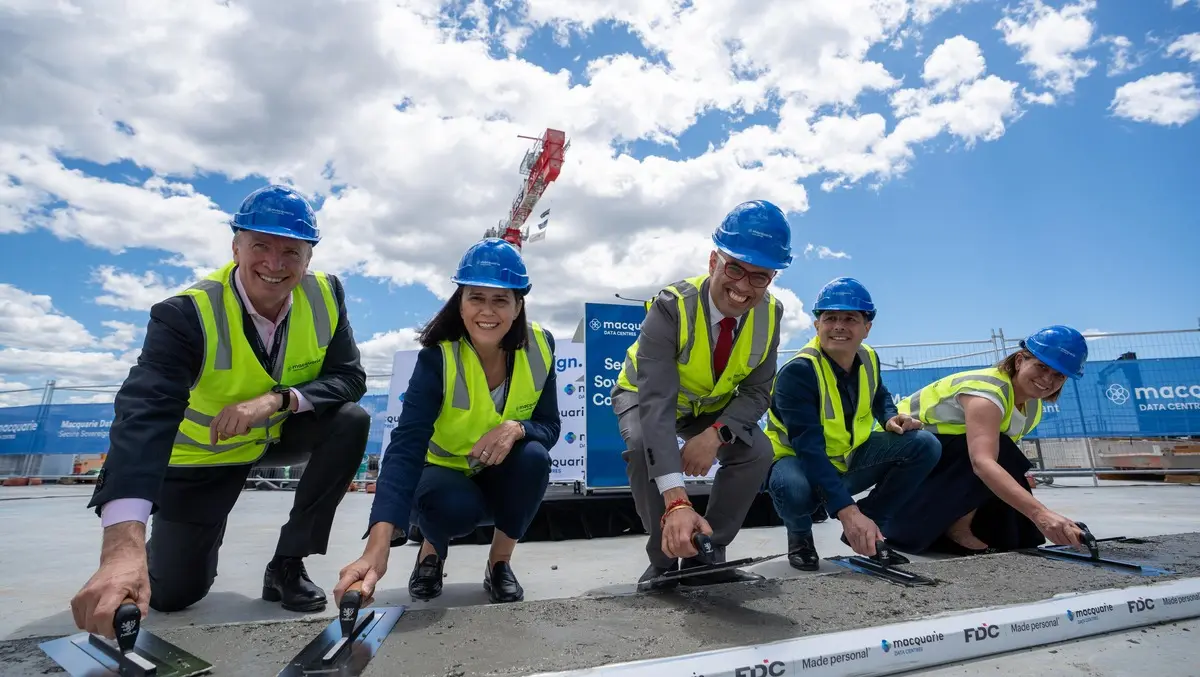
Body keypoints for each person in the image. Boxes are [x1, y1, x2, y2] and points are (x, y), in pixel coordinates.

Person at [71, 185, 371, 638]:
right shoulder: (186, 314)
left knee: (350, 420)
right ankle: (165, 545)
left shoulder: (326, 295)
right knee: (173, 595)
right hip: (202, 457)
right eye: (261, 247)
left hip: (273, 434)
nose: (275, 263)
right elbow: (144, 414)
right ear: (236, 247)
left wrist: (278, 399)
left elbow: (349, 378)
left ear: (309, 257)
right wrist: (120, 548)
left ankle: (288, 563)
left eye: (292, 251)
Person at [334, 238, 559, 606]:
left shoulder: (541, 347)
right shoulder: (438, 359)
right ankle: (431, 554)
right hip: (440, 474)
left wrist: (517, 427)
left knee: (534, 458)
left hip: (497, 473)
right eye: (476, 297)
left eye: (501, 299)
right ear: (461, 302)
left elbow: (549, 427)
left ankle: (499, 563)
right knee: (450, 505)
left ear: (518, 307)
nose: (487, 311)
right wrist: (377, 548)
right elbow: (405, 447)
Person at [612, 200, 793, 592]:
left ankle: (709, 552)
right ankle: (664, 560)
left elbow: (757, 389)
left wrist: (715, 434)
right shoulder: (671, 306)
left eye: (759, 277)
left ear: (772, 277)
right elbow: (657, 405)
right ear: (714, 261)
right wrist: (677, 501)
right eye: (735, 269)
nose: (743, 287)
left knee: (756, 451)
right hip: (646, 396)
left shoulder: (772, 315)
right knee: (645, 445)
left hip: (708, 407)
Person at [764, 278, 941, 570]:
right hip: (799, 460)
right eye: (830, 318)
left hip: (849, 455)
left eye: (850, 319)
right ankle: (800, 538)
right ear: (816, 325)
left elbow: (879, 395)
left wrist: (889, 416)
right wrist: (847, 510)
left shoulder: (868, 357)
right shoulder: (798, 372)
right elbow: (808, 449)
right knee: (792, 486)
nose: (838, 326)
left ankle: (868, 528)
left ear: (866, 328)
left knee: (924, 445)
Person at [883, 325, 1089, 555]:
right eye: (1041, 367)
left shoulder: (1032, 408)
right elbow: (982, 463)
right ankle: (950, 529)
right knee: (992, 454)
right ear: (1020, 360)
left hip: (928, 467)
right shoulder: (986, 393)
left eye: (1058, 375)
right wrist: (1040, 514)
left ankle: (965, 527)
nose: (1047, 379)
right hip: (898, 469)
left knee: (1007, 474)